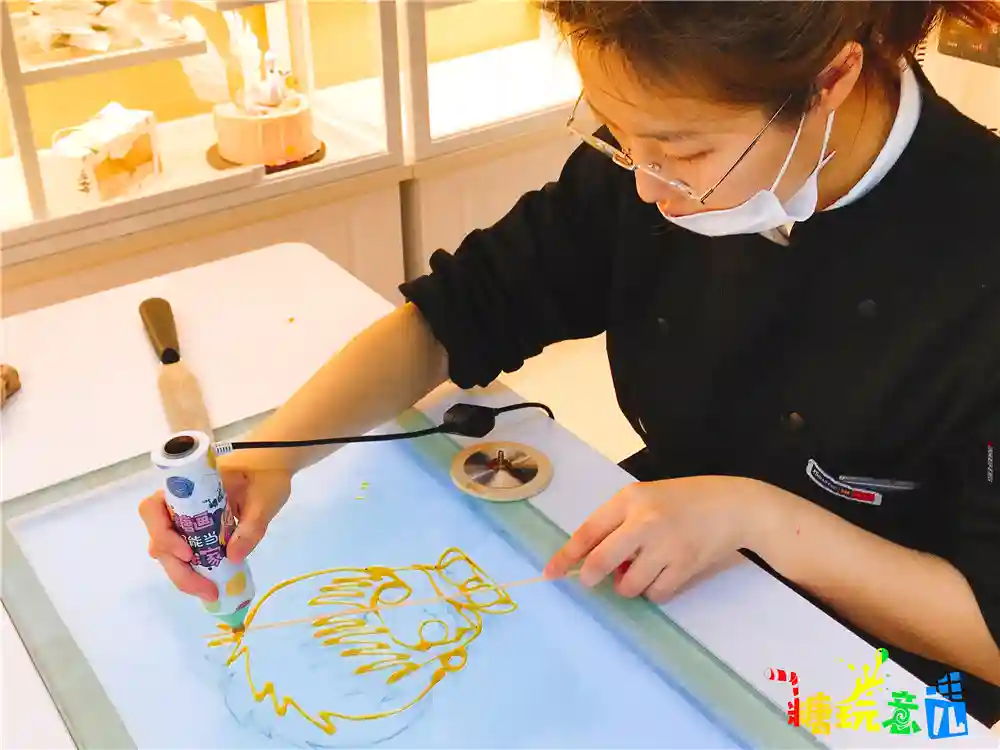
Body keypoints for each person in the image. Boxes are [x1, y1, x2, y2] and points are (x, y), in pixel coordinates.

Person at [141, 0, 1000, 726]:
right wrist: (272, 456)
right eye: (620, 137)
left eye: (685, 153)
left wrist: (758, 519)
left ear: (832, 79)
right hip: (668, 586)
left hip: (881, 682)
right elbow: (459, 312)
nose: (647, 188)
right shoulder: (650, 161)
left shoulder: (976, 256)